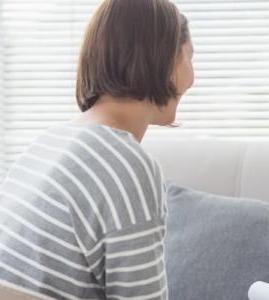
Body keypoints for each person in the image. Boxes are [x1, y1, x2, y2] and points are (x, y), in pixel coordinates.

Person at [0, 0, 193, 299]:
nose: (192, 78)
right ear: (165, 60)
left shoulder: (46, 143)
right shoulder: (129, 167)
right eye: (189, 58)